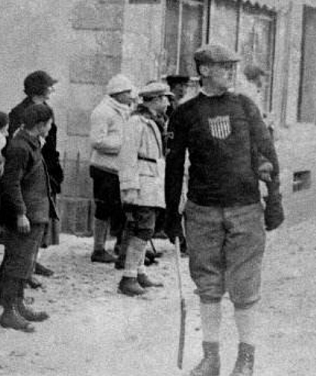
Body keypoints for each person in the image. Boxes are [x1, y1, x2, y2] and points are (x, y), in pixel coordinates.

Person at [165, 43, 281, 376]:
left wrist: (274, 201)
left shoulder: (245, 106)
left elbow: (269, 156)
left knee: (244, 287)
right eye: (223, 66)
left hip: (245, 209)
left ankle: (246, 358)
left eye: (232, 66)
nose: (230, 72)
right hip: (202, 212)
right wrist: (171, 215)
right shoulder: (185, 113)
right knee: (208, 285)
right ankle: (211, 357)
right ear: (203, 71)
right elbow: (174, 167)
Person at [0, 104, 57, 332]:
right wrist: (21, 213)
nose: (51, 128)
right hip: (25, 216)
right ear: (40, 125)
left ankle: (18, 304)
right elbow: (11, 183)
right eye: (49, 124)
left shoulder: (30, 143)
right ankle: (8, 312)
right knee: (16, 264)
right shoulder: (21, 147)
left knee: (25, 263)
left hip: (35, 214)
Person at [116, 82, 172, 296]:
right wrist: (129, 187)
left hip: (153, 179)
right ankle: (128, 277)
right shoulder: (136, 122)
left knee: (147, 227)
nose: (167, 103)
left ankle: (138, 271)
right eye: (164, 98)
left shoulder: (154, 121)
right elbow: (127, 156)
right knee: (143, 229)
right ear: (155, 100)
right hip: (142, 181)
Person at [7, 70, 63, 278]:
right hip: (30, 169)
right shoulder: (20, 112)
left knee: (41, 218)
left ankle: (33, 260)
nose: (52, 90)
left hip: (46, 167)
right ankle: (24, 268)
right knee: (30, 219)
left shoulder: (46, 110)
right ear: (39, 89)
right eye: (49, 86)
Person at [89, 74, 135, 263]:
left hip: (117, 168)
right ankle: (98, 248)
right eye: (127, 92)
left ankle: (120, 245)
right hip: (104, 168)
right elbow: (97, 141)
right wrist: (123, 144)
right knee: (104, 208)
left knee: (120, 209)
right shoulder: (103, 112)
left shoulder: (122, 110)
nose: (130, 96)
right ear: (118, 93)